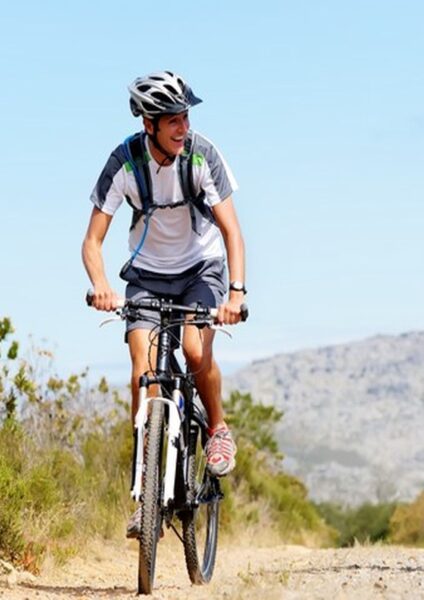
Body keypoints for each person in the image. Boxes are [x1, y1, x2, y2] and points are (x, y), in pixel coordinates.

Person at [82, 71, 245, 535]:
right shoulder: (125, 163)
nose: (183, 127)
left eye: (186, 117)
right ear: (148, 124)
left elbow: (232, 231)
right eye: (173, 119)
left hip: (201, 269)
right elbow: (92, 242)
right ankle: (146, 493)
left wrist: (237, 293)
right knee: (142, 368)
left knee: (195, 351)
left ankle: (217, 428)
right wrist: (100, 285)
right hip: (147, 277)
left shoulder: (202, 155)